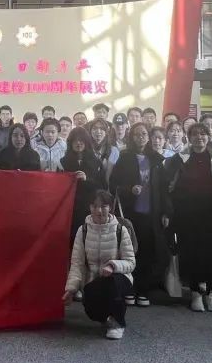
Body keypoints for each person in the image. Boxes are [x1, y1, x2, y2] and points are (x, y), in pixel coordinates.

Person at [163, 123, 212, 313]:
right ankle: (196, 293)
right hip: (187, 216)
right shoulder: (179, 160)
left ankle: (211, 293)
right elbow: (168, 188)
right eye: (195, 134)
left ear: (209, 136)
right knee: (191, 254)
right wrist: (169, 212)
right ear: (188, 137)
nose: (199, 137)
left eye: (203, 133)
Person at [63, 190, 137, 340]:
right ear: (89, 207)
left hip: (118, 279)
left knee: (113, 283)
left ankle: (117, 322)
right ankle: (107, 317)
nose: (98, 210)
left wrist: (113, 266)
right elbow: (77, 263)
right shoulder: (83, 230)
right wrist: (71, 289)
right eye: (94, 206)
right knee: (92, 312)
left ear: (110, 207)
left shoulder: (120, 230)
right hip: (94, 281)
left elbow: (131, 262)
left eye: (103, 206)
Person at [109, 122, 168, 308]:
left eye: (143, 134)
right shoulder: (124, 157)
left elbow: (164, 189)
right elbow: (113, 184)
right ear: (131, 137)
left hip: (152, 214)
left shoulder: (157, 159)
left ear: (149, 137)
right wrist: (129, 189)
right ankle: (129, 289)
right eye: (136, 134)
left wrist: (166, 211)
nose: (140, 137)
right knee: (129, 252)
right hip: (131, 214)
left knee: (148, 253)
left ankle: (143, 290)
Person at [61, 128, 107, 241]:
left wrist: (86, 179)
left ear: (86, 142)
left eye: (81, 140)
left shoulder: (96, 162)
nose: (78, 143)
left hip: (89, 206)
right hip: (70, 207)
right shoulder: (63, 162)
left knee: (88, 238)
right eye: (75, 141)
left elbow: (103, 186)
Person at [88, 118, 120, 183]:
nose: (98, 131)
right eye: (95, 128)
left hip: (107, 186)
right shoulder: (86, 149)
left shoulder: (113, 151)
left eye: (102, 128)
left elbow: (114, 175)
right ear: (90, 131)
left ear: (106, 132)